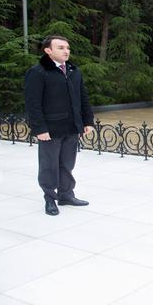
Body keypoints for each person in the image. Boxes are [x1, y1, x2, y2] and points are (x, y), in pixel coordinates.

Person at [24, 35, 94, 216]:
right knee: (49, 166)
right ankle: (50, 198)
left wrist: (87, 121)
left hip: (71, 127)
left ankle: (66, 195)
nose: (66, 51)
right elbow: (33, 104)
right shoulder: (38, 72)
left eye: (67, 48)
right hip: (50, 129)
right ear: (48, 50)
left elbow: (83, 97)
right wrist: (39, 129)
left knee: (67, 163)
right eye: (61, 48)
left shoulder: (73, 71)